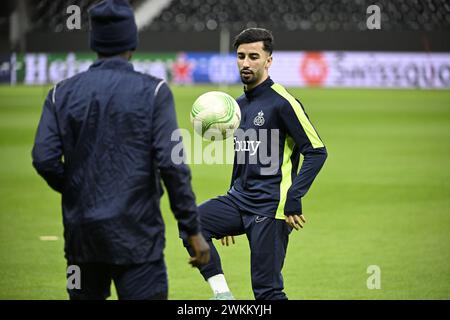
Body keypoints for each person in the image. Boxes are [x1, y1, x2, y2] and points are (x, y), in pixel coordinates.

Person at [32, 0, 209, 300]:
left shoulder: (60, 92)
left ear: (95, 41)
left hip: (81, 240)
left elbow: (44, 158)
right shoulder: (154, 92)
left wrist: (78, 188)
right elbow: (172, 164)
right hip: (138, 238)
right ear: (132, 41)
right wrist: (192, 230)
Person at [181, 28, 328, 300]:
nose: (246, 63)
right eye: (240, 56)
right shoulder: (236, 107)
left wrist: (294, 197)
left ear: (268, 60)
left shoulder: (283, 103)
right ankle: (222, 295)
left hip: (271, 206)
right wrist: (231, 193)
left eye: (253, 56)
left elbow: (317, 151)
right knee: (192, 224)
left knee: (267, 292)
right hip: (239, 200)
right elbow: (242, 155)